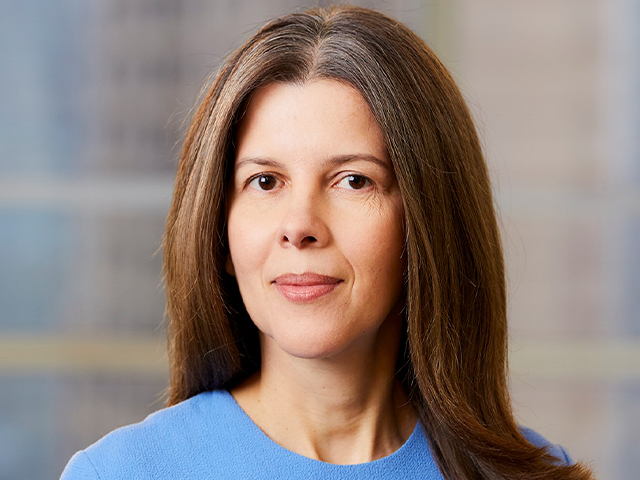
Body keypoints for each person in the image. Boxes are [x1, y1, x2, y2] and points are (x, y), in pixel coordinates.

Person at [60, 5, 594, 480]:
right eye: (264, 181)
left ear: (427, 225)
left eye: (353, 181)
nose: (299, 225)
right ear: (220, 235)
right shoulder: (118, 473)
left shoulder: (534, 473)